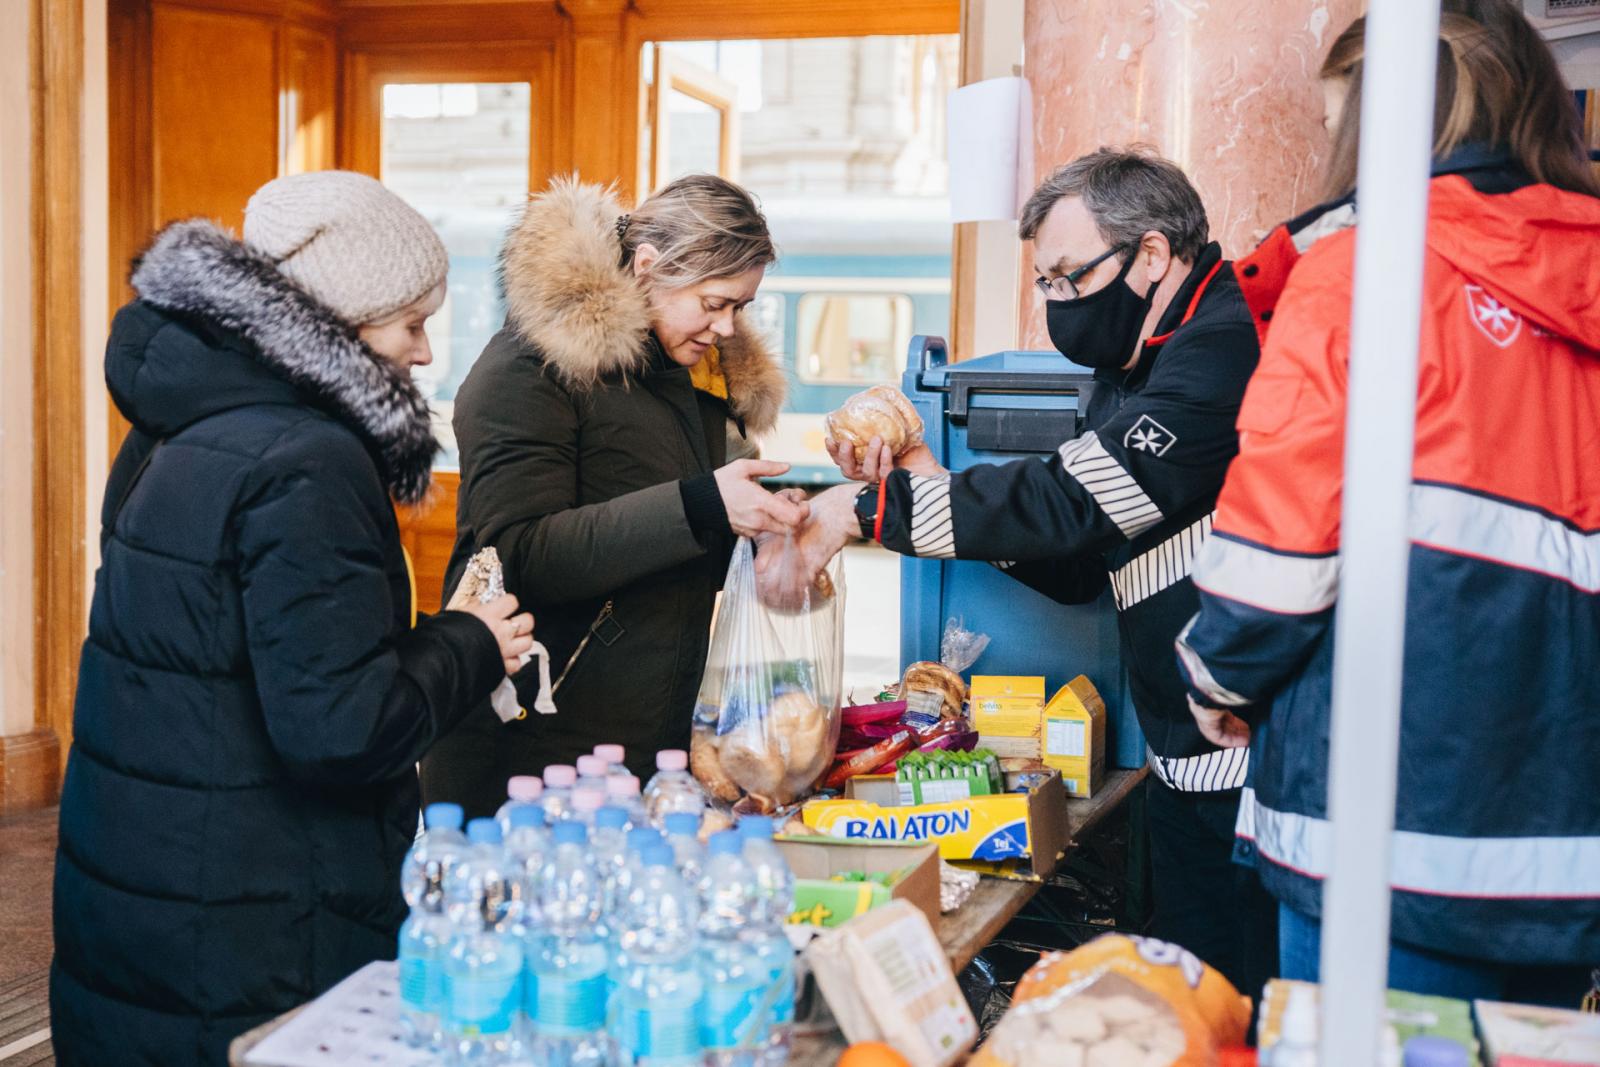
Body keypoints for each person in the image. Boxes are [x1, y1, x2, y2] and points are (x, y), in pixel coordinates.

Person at [50, 171, 533, 1066]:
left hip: (147, 884)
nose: (425, 354)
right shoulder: (307, 459)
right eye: (410, 323)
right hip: (252, 917)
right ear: (340, 323)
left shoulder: (175, 423)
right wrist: (473, 644)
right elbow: (339, 728)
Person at [1176, 3, 1600, 1005]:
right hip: (1560, 839)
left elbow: (1278, 543)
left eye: (1337, 131)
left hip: (1384, 819)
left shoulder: (1362, 270)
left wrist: (1215, 680)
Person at [777, 147, 1276, 996]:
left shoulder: (1225, 349)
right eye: (1042, 282)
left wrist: (864, 511)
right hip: (1187, 759)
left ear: (1150, 255)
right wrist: (923, 476)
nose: (1052, 307)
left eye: (1067, 278)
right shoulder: (1142, 361)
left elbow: (1076, 502)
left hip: (1252, 777)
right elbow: (1080, 560)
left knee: (1235, 1008)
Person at [419, 174, 797, 818]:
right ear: (649, 267)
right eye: (714, 303)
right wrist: (702, 504)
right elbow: (515, 555)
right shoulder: (529, 369)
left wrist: (773, 530)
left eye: (741, 308)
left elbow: (678, 542)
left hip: (640, 745)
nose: (728, 328)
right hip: (530, 750)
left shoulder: (689, 381)